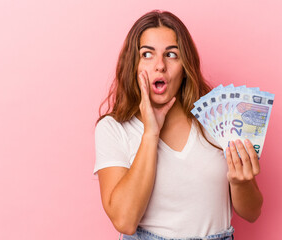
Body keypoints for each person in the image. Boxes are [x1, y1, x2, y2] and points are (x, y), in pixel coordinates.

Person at [94, 10, 263, 240]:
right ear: (134, 65)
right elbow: (125, 220)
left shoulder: (217, 122)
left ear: (184, 68)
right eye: (147, 54)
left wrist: (240, 182)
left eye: (171, 54)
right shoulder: (113, 128)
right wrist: (150, 133)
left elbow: (252, 213)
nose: (160, 65)